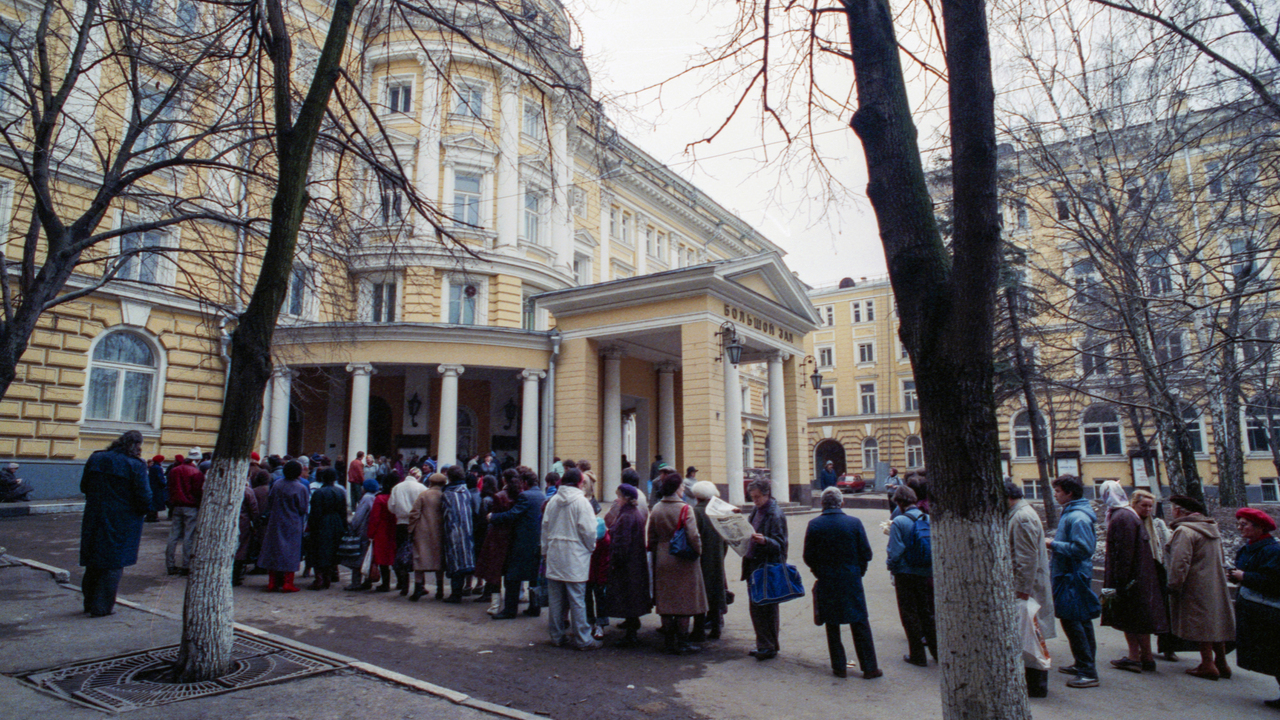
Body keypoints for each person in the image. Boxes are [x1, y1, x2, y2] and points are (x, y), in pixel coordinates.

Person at [804, 487, 879, 679]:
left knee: (832, 623)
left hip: (827, 580)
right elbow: (867, 553)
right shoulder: (854, 523)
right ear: (842, 502)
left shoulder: (814, 524)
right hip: (851, 578)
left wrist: (819, 572)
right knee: (860, 621)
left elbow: (808, 556)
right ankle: (869, 668)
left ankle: (839, 667)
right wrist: (858, 571)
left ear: (822, 503)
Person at [78, 431, 150, 616]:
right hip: (123, 520)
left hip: (94, 516)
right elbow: (144, 497)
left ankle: (89, 603)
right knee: (114, 563)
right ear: (137, 445)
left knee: (93, 561)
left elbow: (84, 486)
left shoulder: (96, 457)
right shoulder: (136, 464)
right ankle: (101, 608)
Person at [1164, 494, 1234, 680]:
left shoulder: (1185, 531)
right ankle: (1221, 662)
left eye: (1172, 508)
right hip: (1215, 582)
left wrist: (1173, 585)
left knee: (1202, 623)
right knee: (1215, 620)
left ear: (1179, 510)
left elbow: (1180, 562)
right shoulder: (1211, 527)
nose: (1171, 512)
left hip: (1195, 584)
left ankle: (1207, 664)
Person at [1101, 485, 1168, 674]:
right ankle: (1145, 657)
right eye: (1144, 505)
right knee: (1140, 617)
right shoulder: (1128, 516)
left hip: (1128, 578)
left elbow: (1123, 552)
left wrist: (1119, 582)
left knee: (1127, 617)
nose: (1148, 510)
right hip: (1140, 575)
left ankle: (1133, 657)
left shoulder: (1121, 517)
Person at [1047, 475, 1101, 689]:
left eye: (1059, 491)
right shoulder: (1072, 513)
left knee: (1073, 621)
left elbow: (1083, 549)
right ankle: (1083, 664)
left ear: (1069, 493)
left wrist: (1053, 544)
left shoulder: (1077, 517)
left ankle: (1088, 671)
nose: (1055, 494)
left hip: (1073, 575)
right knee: (1081, 620)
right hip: (1069, 574)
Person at [539, 467, 599, 649]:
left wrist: (545, 552)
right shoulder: (582, 503)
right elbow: (589, 531)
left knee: (556, 600)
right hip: (576, 556)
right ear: (580, 482)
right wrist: (591, 547)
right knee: (577, 600)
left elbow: (545, 528)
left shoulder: (553, 501)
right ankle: (583, 638)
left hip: (555, 554)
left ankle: (557, 636)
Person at [648, 472, 707, 655]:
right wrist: (698, 551)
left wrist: (658, 553)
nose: (683, 489)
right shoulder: (685, 509)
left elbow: (651, 536)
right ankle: (682, 643)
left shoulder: (657, 508)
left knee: (666, 603)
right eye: (681, 486)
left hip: (663, 557)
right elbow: (693, 535)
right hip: (683, 559)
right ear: (676, 488)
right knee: (684, 603)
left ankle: (668, 641)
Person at [1006, 481, 1055, 697]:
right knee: (1029, 637)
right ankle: (1033, 684)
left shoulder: (1022, 517)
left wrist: (1021, 593)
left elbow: (1026, 560)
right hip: (1026, 590)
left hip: (1027, 591)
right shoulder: (1019, 514)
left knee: (1031, 639)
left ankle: (1036, 687)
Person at [1229, 507, 1280, 708]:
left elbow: (1274, 581)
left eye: (1244, 524)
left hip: (1269, 611)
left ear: (1259, 528)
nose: (1240, 528)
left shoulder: (1273, 550)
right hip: (1255, 608)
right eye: (1239, 524)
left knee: (1275, 655)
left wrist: (1245, 577)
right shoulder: (1250, 547)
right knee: (1271, 657)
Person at [886, 485, 936, 667]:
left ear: (899, 502)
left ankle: (917, 655)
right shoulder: (928, 519)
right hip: (925, 571)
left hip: (905, 573)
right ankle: (937, 652)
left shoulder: (899, 521)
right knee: (926, 612)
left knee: (909, 614)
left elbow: (895, 551)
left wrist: (891, 567)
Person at [490, 466, 546, 619]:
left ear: (525, 482)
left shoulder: (525, 496)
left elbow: (513, 514)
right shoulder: (541, 495)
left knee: (512, 578)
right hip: (536, 542)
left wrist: (493, 517)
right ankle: (535, 608)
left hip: (522, 543)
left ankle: (509, 610)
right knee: (534, 578)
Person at [743, 478, 788, 661]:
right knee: (757, 606)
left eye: (757, 497)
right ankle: (765, 644)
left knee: (766, 607)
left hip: (766, 566)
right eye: (752, 497)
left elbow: (780, 545)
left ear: (766, 494)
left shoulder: (774, 514)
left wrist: (765, 541)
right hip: (754, 564)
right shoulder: (757, 509)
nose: (755, 500)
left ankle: (768, 646)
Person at [258, 460, 309, 593]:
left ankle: (272, 582)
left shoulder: (277, 484)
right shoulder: (301, 488)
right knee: (290, 552)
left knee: (273, 550)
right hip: (292, 522)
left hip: (275, 521)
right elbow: (303, 508)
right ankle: (288, 582)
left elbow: (270, 500)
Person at [689, 480, 728, 642]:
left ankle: (698, 631)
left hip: (701, 558)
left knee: (700, 593)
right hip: (717, 556)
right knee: (716, 591)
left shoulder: (695, 512)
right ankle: (716, 627)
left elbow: (692, 536)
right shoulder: (719, 511)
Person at [475, 471, 517, 613]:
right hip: (512, 537)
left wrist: (491, 517)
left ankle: (495, 605)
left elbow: (493, 518)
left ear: (504, 479)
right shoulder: (520, 495)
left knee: (494, 572)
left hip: (497, 537)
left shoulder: (499, 496)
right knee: (509, 573)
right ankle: (509, 603)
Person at [306, 468, 347, 590]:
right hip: (336, 522)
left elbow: (315, 512)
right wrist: (343, 526)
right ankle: (329, 576)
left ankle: (319, 578)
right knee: (332, 550)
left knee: (318, 550)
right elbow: (343, 512)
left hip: (323, 523)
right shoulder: (340, 492)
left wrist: (311, 526)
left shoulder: (319, 493)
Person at [388, 467, 428, 595]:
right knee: (418, 554)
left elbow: (391, 507)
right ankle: (420, 585)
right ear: (418, 476)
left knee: (401, 554)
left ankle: (404, 586)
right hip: (417, 524)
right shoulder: (421, 488)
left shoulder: (397, 487)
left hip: (401, 524)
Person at [407, 472, 445, 600]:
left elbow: (414, 513)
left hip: (422, 531)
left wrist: (411, 529)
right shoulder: (444, 495)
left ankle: (417, 589)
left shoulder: (424, 494)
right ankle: (440, 590)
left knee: (420, 559)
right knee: (438, 560)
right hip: (440, 532)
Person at [165, 450, 204, 576]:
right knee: (189, 536)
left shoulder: (174, 470)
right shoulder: (196, 472)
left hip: (177, 505)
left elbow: (170, 487)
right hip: (191, 506)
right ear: (197, 460)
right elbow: (198, 491)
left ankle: (170, 564)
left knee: (173, 536)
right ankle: (186, 565)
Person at [441, 465, 476, 602]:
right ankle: (464, 589)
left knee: (455, 561)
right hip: (468, 530)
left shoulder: (447, 493)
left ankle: (456, 594)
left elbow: (444, 513)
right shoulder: (467, 491)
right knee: (465, 560)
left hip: (453, 531)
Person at [344, 478, 379, 590]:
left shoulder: (366, 498)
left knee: (358, 557)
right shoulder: (375, 497)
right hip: (372, 531)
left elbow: (358, 517)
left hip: (363, 531)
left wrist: (352, 526)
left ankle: (356, 583)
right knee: (368, 557)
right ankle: (367, 581)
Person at [367, 474, 399, 592]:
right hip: (396, 527)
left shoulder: (380, 498)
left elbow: (374, 518)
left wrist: (370, 533)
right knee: (395, 555)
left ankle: (385, 583)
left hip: (382, 530)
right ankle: (401, 581)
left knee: (383, 557)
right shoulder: (397, 496)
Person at [233, 471, 260, 586]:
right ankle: (236, 575)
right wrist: (255, 524)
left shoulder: (228, 488)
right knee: (241, 548)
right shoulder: (247, 491)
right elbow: (254, 510)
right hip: (242, 523)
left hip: (230, 521)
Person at [144, 456, 165, 521]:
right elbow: (160, 478)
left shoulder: (152, 467)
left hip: (152, 486)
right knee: (156, 502)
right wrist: (163, 484)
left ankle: (150, 515)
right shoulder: (158, 468)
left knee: (152, 501)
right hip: (157, 487)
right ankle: (153, 516)